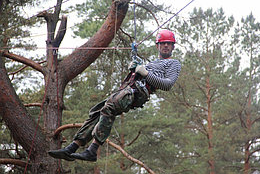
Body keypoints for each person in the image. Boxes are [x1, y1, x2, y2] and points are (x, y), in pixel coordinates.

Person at [48, 29, 181, 162]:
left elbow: (167, 85)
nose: (165, 46)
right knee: (97, 112)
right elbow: (143, 71)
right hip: (129, 88)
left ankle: (92, 150)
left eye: (168, 43)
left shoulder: (173, 63)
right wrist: (136, 65)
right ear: (157, 46)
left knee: (110, 107)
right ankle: (71, 148)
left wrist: (145, 73)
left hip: (137, 92)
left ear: (173, 46)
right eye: (162, 43)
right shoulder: (152, 63)